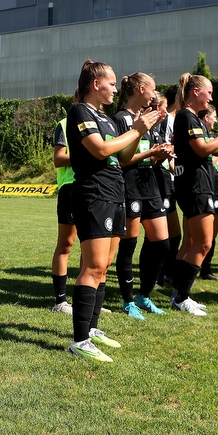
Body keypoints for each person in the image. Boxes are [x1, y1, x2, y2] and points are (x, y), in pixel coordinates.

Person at [66, 60, 161, 363]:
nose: (115, 89)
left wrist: (139, 134)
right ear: (96, 84)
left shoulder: (105, 118)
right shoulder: (80, 111)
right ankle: (79, 339)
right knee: (92, 267)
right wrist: (136, 129)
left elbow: (123, 156)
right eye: (110, 83)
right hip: (93, 195)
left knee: (103, 266)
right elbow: (101, 150)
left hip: (114, 194)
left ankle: (91, 330)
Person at [169, 73, 218, 316]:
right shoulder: (186, 116)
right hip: (195, 187)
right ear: (195, 92)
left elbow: (213, 154)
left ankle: (178, 294)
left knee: (191, 243)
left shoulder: (193, 118)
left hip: (197, 186)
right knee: (203, 243)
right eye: (209, 92)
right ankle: (182, 297)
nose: (211, 97)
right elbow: (202, 149)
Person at [113, 72, 171, 319]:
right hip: (130, 187)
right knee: (129, 245)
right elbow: (122, 160)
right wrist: (149, 154)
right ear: (139, 89)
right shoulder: (121, 119)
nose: (153, 93)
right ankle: (128, 302)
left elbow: (149, 154)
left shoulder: (149, 119)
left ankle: (144, 296)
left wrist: (161, 154)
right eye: (152, 89)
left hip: (151, 187)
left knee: (162, 243)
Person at [50, 89, 80, 315]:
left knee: (93, 247)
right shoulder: (64, 123)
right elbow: (58, 159)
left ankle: (90, 299)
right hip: (71, 188)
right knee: (66, 244)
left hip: (96, 189)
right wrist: (86, 154)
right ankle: (60, 301)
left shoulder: (102, 122)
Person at [198, 105, 218, 282]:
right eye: (214, 116)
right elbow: (211, 159)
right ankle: (192, 269)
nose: (216, 120)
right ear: (205, 118)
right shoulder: (201, 138)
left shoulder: (214, 137)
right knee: (203, 234)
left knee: (214, 234)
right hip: (208, 186)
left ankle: (206, 269)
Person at [156, 87, 181, 287]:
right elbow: (163, 148)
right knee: (164, 236)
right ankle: (161, 274)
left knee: (172, 235)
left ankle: (166, 273)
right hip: (161, 178)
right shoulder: (167, 119)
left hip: (167, 178)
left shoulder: (174, 119)